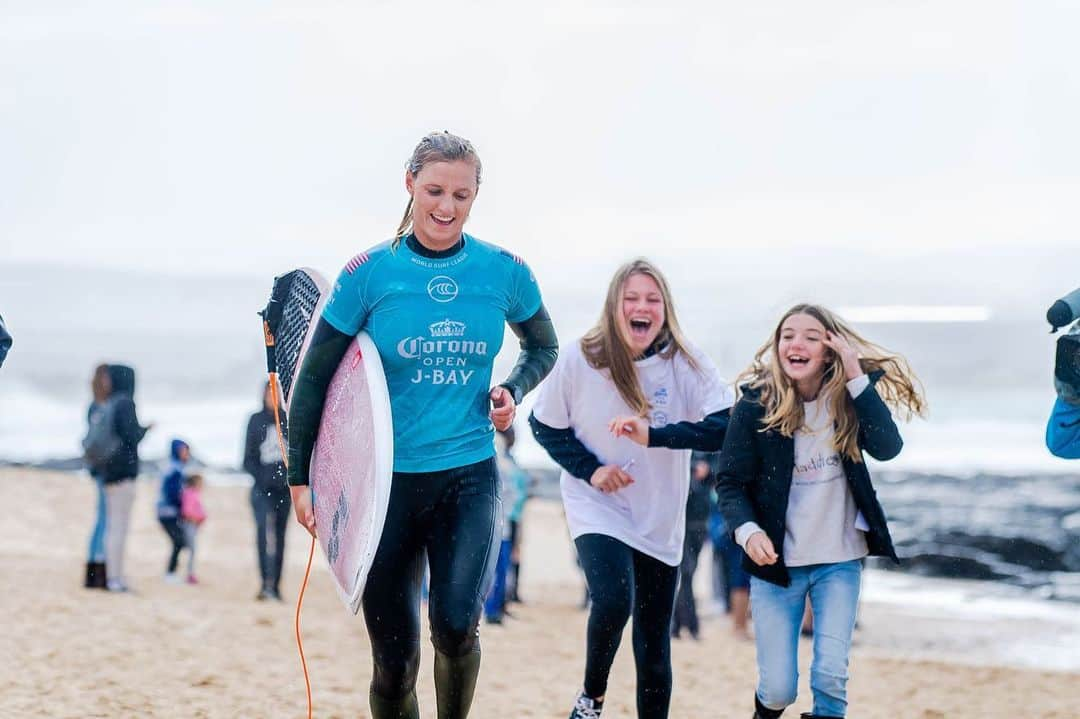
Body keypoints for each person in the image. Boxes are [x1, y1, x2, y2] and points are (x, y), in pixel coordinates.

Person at [286, 131, 558, 719]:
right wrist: (300, 477)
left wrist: (512, 388)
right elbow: (315, 379)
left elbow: (543, 345)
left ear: (476, 195)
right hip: (382, 489)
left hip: (467, 475)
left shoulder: (504, 272)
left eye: (462, 194)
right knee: (395, 661)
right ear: (410, 184)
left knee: (457, 626)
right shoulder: (370, 273)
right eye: (435, 190)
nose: (446, 206)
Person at [530, 258, 734, 719]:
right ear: (614, 306)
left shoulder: (684, 361)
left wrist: (655, 435)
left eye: (652, 299)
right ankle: (592, 697)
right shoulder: (582, 356)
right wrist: (592, 470)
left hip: (659, 514)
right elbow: (544, 425)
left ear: (664, 309)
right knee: (614, 596)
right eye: (631, 298)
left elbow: (725, 427)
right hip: (595, 503)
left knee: (653, 639)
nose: (642, 307)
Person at [716, 304, 925, 719]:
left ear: (829, 350)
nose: (797, 343)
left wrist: (855, 374)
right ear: (777, 348)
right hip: (777, 565)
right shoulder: (756, 405)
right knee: (778, 690)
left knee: (830, 678)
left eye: (812, 337)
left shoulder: (849, 401)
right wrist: (748, 530)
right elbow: (730, 483)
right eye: (787, 335)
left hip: (840, 561)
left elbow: (888, 447)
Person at [100, 364, 151, 593]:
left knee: (112, 527)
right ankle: (114, 578)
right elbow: (132, 436)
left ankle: (112, 576)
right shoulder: (125, 403)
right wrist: (146, 429)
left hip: (109, 472)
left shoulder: (110, 402)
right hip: (123, 474)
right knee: (119, 528)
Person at [243, 380, 291, 600]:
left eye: (276, 393)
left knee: (280, 536)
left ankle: (277, 587)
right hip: (261, 490)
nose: (272, 397)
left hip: (284, 490)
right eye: (268, 393)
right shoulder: (255, 420)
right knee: (263, 534)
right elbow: (247, 459)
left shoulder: (288, 418)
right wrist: (263, 478)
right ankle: (264, 584)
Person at [483, 426, 527, 624]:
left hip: (505, 523)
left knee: (502, 568)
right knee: (497, 569)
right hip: (497, 525)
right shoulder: (499, 463)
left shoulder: (508, 463)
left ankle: (498, 608)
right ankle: (492, 610)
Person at [670, 451, 715, 641]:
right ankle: (689, 623)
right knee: (686, 572)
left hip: (699, 518)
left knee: (689, 572)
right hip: (680, 518)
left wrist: (708, 470)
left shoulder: (708, 442)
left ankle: (678, 622)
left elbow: (722, 468)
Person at [83, 364, 112, 589]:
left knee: (103, 519)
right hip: (103, 469)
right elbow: (95, 440)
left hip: (99, 467)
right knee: (104, 520)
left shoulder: (97, 406)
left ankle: (95, 570)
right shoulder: (99, 407)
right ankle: (96, 571)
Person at [157, 439, 191, 584]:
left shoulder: (174, 467)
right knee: (179, 541)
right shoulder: (175, 469)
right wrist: (182, 507)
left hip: (167, 512)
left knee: (179, 541)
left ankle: (171, 573)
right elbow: (172, 493)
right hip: (167, 513)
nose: (187, 454)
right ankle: (170, 574)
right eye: (184, 451)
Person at [181, 474, 207, 584]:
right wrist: (196, 519)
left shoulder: (193, 493)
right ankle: (190, 574)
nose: (202, 485)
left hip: (193, 525)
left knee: (192, 550)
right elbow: (187, 511)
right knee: (192, 550)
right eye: (200, 482)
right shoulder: (190, 493)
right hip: (190, 524)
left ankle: (190, 573)